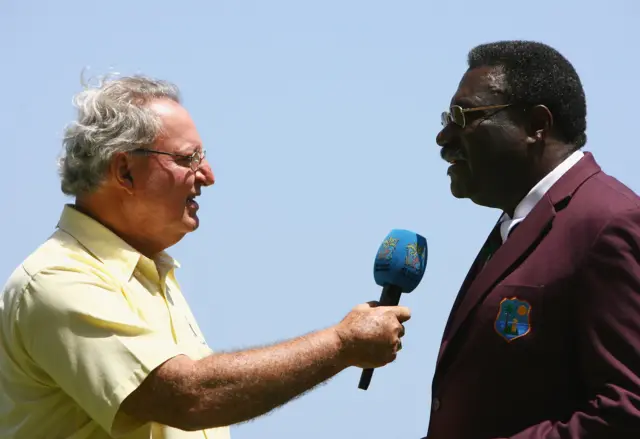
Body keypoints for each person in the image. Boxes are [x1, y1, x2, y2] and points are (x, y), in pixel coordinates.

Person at [0, 75, 411, 439]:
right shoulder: (59, 279)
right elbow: (187, 396)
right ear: (124, 171)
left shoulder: (147, 272)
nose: (208, 175)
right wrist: (341, 344)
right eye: (187, 158)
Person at [425, 40, 640, 438]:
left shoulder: (610, 223)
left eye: (463, 116)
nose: (444, 137)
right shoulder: (517, 226)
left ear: (537, 125)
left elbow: (630, 408)